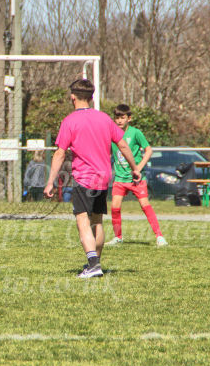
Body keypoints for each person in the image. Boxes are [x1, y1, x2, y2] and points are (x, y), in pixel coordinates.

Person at [44, 79, 140, 279]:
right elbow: (122, 145)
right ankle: (96, 263)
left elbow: (60, 153)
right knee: (97, 221)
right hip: (104, 178)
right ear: (91, 97)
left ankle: (93, 264)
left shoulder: (70, 121)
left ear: (73, 97)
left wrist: (50, 181)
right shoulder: (104, 118)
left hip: (84, 178)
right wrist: (135, 168)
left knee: (82, 220)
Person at [106, 104, 168, 247]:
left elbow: (148, 150)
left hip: (136, 178)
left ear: (129, 118)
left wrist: (138, 168)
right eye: (117, 118)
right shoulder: (111, 133)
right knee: (115, 207)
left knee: (145, 205)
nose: (119, 120)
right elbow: (108, 153)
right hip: (120, 178)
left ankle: (159, 236)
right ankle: (118, 237)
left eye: (122, 117)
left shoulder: (135, 133)